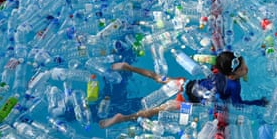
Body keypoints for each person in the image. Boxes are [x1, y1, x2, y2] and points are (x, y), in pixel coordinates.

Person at [99, 51, 267, 128]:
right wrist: (259, 102)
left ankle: (128, 67)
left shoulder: (218, 71)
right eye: (243, 68)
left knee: (157, 77)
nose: (246, 68)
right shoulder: (234, 85)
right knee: (157, 110)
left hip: (185, 84)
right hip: (184, 103)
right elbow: (238, 105)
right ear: (232, 76)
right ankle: (125, 117)